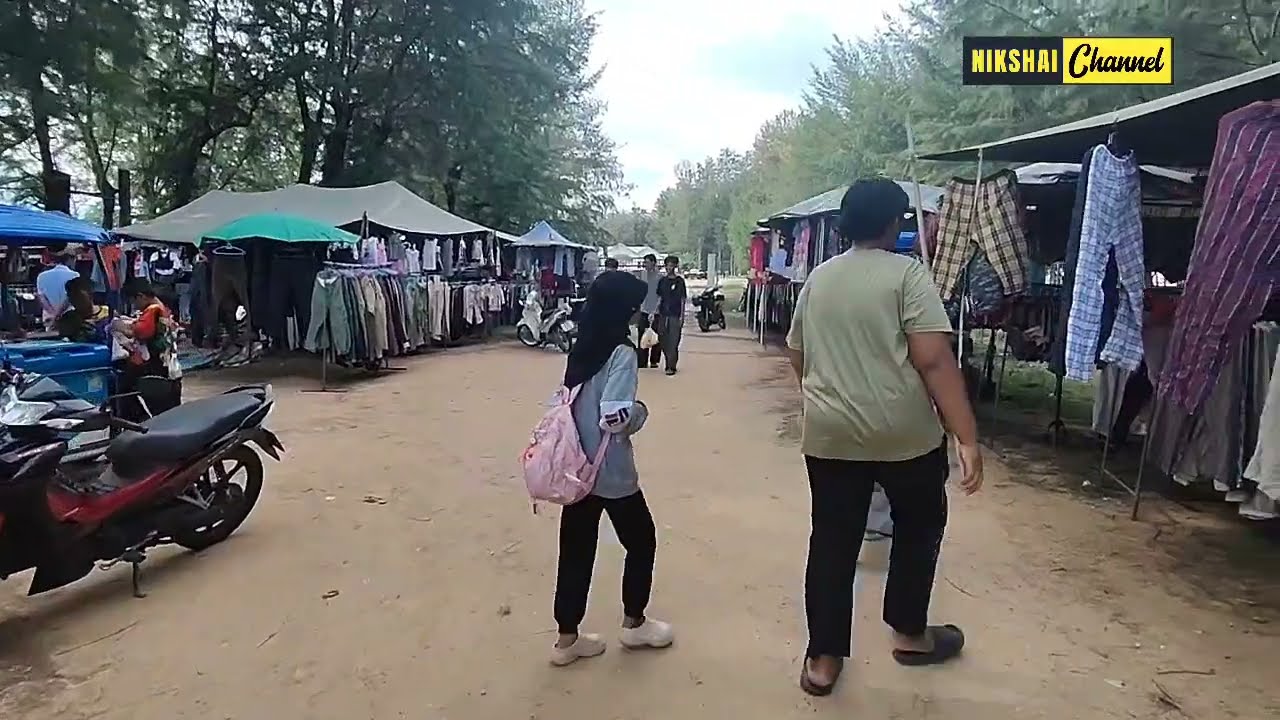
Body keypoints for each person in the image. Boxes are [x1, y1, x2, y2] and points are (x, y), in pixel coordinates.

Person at [785, 178, 983, 696]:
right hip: (905, 437)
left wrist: (830, 398)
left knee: (832, 541)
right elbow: (935, 359)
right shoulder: (908, 276)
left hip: (830, 437)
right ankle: (910, 634)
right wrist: (967, 437)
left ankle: (824, 659)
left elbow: (799, 357)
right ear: (896, 223)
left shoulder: (818, 280)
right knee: (918, 530)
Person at [551, 269, 674, 667]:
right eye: (634, 308)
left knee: (575, 550)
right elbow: (615, 416)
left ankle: (567, 639)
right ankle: (634, 622)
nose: (638, 314)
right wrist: (641, 412)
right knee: (642, 540)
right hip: (611, 471)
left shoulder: (582, 346)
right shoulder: (620, 352)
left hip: (577, 467)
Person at [118, 279, 181, 419]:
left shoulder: (153, 310)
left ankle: (143, 423)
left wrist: (119, 326)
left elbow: (141, 331)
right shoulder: (162, 307)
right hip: (168, 367)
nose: (134, 306)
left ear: (141, 296)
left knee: (124, 391)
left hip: (155, 367)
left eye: (134, 301)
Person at [655, 255, 687, 376]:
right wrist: (655, 312)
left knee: (674, 340)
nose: (669, 267)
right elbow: (659, 298)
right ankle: (669, 358)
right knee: (662, 339)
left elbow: (683, 299)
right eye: (668, 265)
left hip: (675, 314)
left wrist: (682, 316)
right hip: (663, 314)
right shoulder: (662, 281)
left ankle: (670, 365)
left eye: (672, 265)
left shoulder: (680, 282)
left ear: (675, 266)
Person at [55, 275, 109, 343]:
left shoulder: (108, 313)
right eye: (72, 296)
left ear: (90, 294)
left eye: (79, 296)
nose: (76, 300)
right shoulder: (69, 319)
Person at [36, 249, 81, 331]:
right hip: (69, 317)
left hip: (49, 318)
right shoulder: (75, 275)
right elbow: (71, 297)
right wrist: (58, 314)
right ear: (70, 260)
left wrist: (53, 314)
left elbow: (41, 298)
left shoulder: (41, 276)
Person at [634, 254, 661, 368]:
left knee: (655, 336)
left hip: (656, 310)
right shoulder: (642, 276)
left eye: (648, 262)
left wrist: (656, 309)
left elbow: (661, 295)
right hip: (643, 309)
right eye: (644, 262)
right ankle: (642, 361)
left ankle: (654, 360)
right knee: (642, 335)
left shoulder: (660, 278)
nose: (646, 264)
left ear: (654, 263)